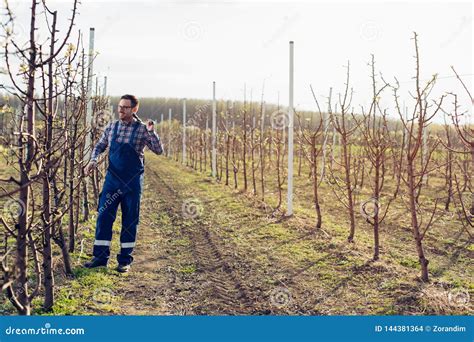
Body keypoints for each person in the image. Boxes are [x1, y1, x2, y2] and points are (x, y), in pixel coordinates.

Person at [83, 94, 163, 272]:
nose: (121, 110)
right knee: (104, 217)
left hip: (132, 183)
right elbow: (99, 146)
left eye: (125, 107)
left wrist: (151, 132)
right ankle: (100, 257)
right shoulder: (112, 127)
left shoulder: (142, 129)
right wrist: (93, 160)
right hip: (112, 181)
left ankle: (124, 261)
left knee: (130, 220)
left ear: (134, 109)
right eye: (119, 106)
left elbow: (158, 151)